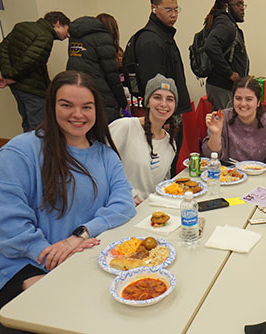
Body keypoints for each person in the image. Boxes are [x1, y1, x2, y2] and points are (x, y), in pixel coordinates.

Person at [0, 71, 136, 309]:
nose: (77, 114)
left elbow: (123, 203)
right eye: (66, 105)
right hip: (20, 263)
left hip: (80, 253)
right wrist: (51, 253)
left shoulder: (106, 155)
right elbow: (5, 225)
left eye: (86, 107)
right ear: (51, 106)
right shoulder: (19, 152)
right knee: (69, 309)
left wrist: (80, 235)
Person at [133, 0, 191, 176]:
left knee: (170, 162)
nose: (174, 14)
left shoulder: (164, 35)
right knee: (161, 165)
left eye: (176, 9)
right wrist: (164, 118)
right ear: (154, 8)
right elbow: (155, 88)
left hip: (171, 113)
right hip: (164, 116)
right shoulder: (151, 40)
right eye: (168, 10)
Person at [0, 11, 71, 132]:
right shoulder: (46, 37)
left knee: (27, 123)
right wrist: (11, 75)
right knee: (39, 127)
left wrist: (7, 74)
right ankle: (38, 151)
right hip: (32, 89)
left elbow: (3, 48)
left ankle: (28, 150)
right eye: (67, 29)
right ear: (57, 24)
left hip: (16, 87)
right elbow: (30, 61)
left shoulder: (21, 26)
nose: (68, 35)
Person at [109, 73, 178, 205]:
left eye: (170, 99)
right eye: (157, 97)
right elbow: (99, 166)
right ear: (147, 102)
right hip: (120, 207)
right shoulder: (125, 127)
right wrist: (129, 195)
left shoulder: (170, 142)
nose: (163, 104)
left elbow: (162, 184)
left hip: (151, 213)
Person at [202, 76, 266, 174]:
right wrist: (216, 134)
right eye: (238, 98)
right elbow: (211, 156)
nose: (243, 104)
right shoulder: (222, 118)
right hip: (228, 176)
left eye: (249, 99)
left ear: (258, 102)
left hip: (260, 178)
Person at [66, 13, 127, 123]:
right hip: (101, 95)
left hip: (77, 90)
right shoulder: (103, 38)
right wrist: (123, 102)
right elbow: (112, 76)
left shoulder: (76, 37)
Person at [203, 0, 249, 110]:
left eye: (243, 4)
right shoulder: (225, 24)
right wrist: (229, 73)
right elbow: (210, 46)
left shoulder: (226, 23)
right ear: (226, 6)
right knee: (226, 124)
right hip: (222, 86)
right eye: (238, 4)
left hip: (223, 87)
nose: (242, 8)